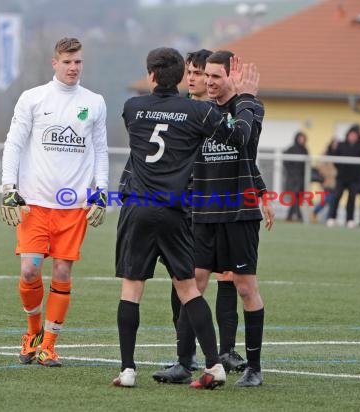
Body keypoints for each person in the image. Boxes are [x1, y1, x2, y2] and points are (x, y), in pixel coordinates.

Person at [113, 47, 261, 389]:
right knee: (190, 289)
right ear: (183, 77)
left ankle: (128, 371)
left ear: (150, 75)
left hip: (137, 207)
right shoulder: (195, 111)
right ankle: (214, 365)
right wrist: (247, 97)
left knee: (132, 289)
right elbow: (239, 137)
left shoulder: (132, 108)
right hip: (176, 210)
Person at [154, 50, 273, 388]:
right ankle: (183, 362)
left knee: (246, 288)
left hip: (239, 212)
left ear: (232, 77)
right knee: (194, 283)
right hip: (203, 214)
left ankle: (253, 368)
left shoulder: (251, 107)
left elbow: (245, 141)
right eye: (206, 75)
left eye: (216, 76)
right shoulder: (198, 111)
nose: (208, 81)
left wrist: (246, 97)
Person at [0, 37, 109, 367]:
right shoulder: (33, 98)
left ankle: (49, 345)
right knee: (30, 269)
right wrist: (8, 186)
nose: (74, 67)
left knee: (62, 271)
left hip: (73, 206)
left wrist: (101, 189)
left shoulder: (94, 102)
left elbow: (101, 150)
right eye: (67, 62)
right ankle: (32, 332)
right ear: (55, 63)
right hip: (34, 203)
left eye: (78, 62)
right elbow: (14, 143)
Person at [164, 49, 248, 375]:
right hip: (186, 207)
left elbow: (243, 154)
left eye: (200, 72)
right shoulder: (182, 113)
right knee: (186, 281)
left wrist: (261, 192)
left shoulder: (220, 111)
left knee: (228, 276)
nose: (195, 78)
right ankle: (185, 353)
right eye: (192, 72)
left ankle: (226, 350)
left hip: (222, 207)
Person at [326, 124, 360, 228]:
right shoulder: (341, 145)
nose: (352, 137)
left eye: (355, 135)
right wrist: (331, 148)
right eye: (351, 134)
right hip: (342, 177)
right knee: (337, 197)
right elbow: (332, 156)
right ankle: (332, 218)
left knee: (352, 199)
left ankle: (350, 219)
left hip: (354, 178)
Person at [310, 138, 337, 223]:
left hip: (335, 182)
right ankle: (314, 212)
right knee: (327, 199)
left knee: (332, 200)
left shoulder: (339, 153)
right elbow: (321, 168)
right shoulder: (325, 155)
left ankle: (329, 218)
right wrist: (329, 175)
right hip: (327, 182)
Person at [283, 131, 308, 222]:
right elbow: (286, 162)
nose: (301, 140)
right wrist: (291, 172)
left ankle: (290, 216)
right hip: (293, 178)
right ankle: (298, 216)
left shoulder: (305, 150)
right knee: (295, 196)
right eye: (300, 138)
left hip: (301, 178)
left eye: (303, 138)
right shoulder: (291, 149)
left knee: (297, 197)